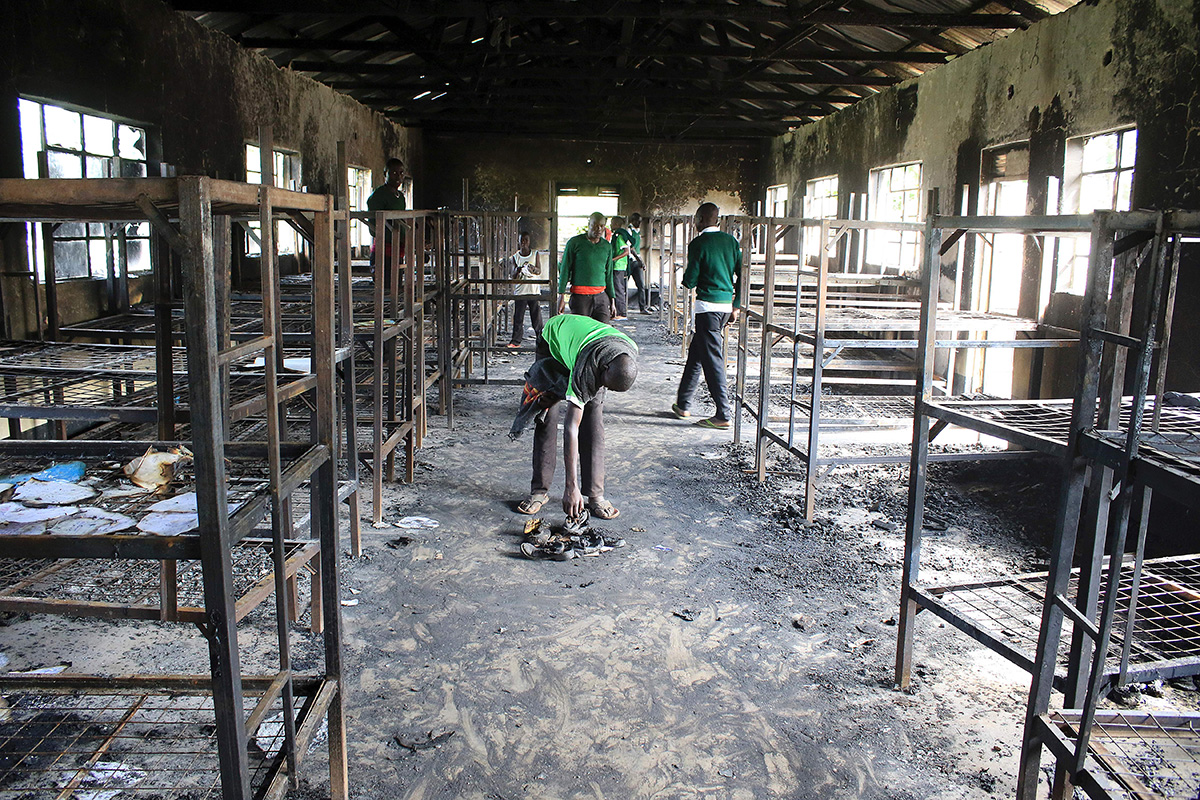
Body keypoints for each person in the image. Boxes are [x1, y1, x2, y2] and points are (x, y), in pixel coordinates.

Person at [511, 313, 639, 520]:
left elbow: (605, 382)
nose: (604, 387)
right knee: (547, 412)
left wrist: (601, 383)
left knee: (593, 420)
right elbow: (571, 427)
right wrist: (571, 486)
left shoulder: (627, 353)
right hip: (554, 343)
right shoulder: (588, 367)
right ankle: (539, 491)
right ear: (604, 368)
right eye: (605, 382)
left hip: (585, 347)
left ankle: (595, 495)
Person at [672, 202, 742, 430]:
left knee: (713, 361)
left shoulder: (698, 243)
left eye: (695, 219)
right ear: (718, 220)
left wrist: (686, 279)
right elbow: (743, 275)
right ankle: (683, 404)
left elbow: (690, 279)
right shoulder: (731, 242)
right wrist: (737, 305)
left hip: (707, 308)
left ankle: (723, 413)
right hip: (724, 308)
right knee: (697, 354)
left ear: (700, 219)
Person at [558, 211, 615, 323]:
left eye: (602, 226)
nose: (598, 229)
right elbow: (565, 269)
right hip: (580, 298)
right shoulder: (574, 243)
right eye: (595, 225)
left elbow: (609, 275)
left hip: (601, 297)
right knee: (581, 332)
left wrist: (612, 300)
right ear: (589, 224)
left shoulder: (606, 246)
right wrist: (561, 296)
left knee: (603, 332)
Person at [366, 158, 407, 275]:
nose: (398, 177)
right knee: (386, 288)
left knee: (397, 286)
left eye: (401, 173)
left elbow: (401, 221)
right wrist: (394, 235)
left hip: (398, 249)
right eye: (393, 173)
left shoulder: (400, 196)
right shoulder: (379, 195)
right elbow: (374, 227)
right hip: (384, 250)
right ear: (385, 174)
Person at [507, 231, 543, 347]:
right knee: (518, 317)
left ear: (529, 241)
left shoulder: (535, 253)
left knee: (536, 318)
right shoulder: (515, 257)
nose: (524, 242)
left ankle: (541, 340)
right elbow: (512, 275)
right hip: (520, 292)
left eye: (526, 240)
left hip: (533, 291)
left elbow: (539, 271)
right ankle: (516, 341)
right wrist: (518, 269)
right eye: (521, 240)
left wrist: (532, 268)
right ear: (518, 241)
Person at [625, 212, 651, 314]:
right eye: (637, 221)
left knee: (641, 285)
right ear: (632, 220)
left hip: (637, 261)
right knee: (623, 286)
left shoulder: (637, 231)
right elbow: (631, 248)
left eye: (640, 222)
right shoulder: (629, 231)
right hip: (630, 261)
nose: (639, 223)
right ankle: (621, 308)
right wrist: (640, 261)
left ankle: (642, 308)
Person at [609, 215, 633, 320]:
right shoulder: (619, 235)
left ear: (617, 224)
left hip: (618, 266)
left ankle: (621, 313)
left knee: (618, 289)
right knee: (618, 288)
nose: (610, 225)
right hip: (620, 266)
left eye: (612, 223)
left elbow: (626, 251)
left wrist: (613, 259)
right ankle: (618, 311)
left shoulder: (619, 236)